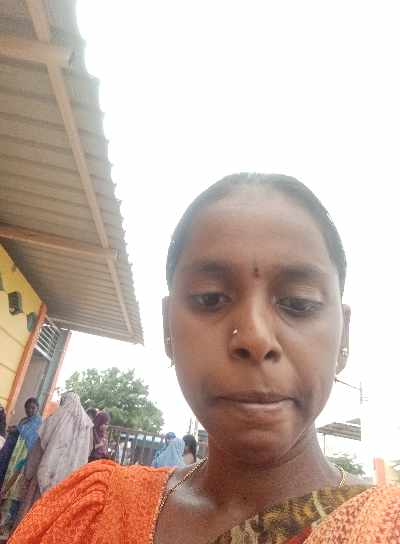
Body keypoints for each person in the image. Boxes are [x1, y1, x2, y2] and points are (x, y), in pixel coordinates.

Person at [10, 174, 400, 543]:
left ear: (343, 336)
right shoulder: (89, 516)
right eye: (210, 298)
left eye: (299, 303)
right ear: (168, 327)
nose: (254, 338)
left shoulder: (385, 527)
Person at [16, 391, 93, 526]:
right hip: (68, 484)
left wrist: (28, 474)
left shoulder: (57, 416)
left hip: (44, 476)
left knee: (32, 514)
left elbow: (38, 448)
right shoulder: (86, 425)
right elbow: (86, 454)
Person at [0, 398, 41, 536]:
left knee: (17, 485)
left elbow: (34, 441)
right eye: (28, 407)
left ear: (38, 408)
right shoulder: (24, 420)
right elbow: (19, 432)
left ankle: (10, 521)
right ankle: (4, 517)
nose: (30, 410)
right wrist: (16, 429)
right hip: (15, 454)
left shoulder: (39, 423)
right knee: (9, 479)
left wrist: (17, 429)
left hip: (26, 456)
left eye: (33, 407)